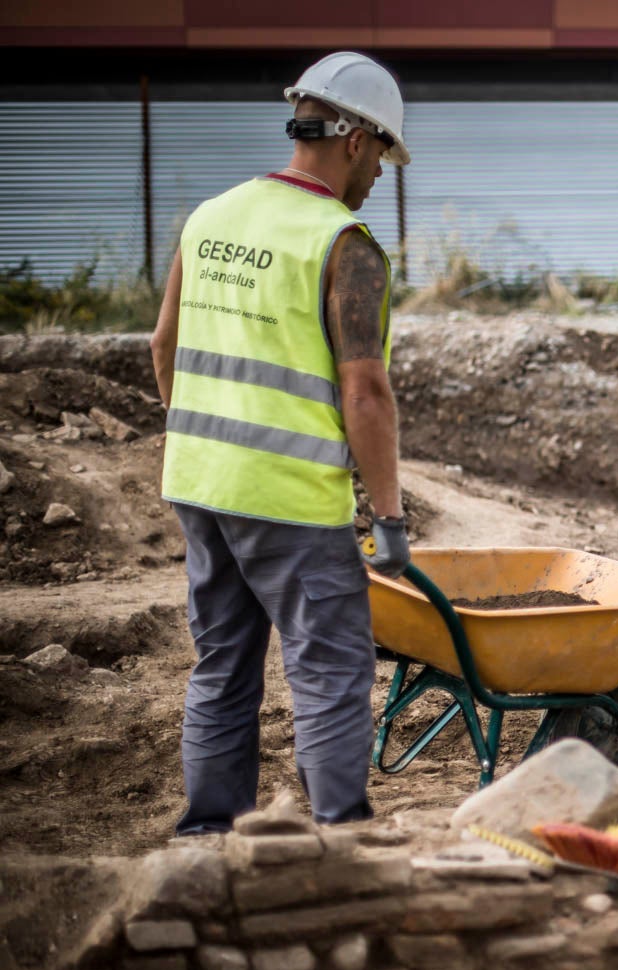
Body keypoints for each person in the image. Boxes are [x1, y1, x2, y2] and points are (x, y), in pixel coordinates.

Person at [149, 52, 412, 834]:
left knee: (223, 663)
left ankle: (207, 834)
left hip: (201, 487)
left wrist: (198, 440)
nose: (379, 179)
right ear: (356, 141)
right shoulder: (344, 243)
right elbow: (365, 391)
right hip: (291, 498)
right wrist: (390, 518)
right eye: (384, 158)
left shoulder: (212, 216)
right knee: (331, 667)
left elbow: (163, 343)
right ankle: (341, 834)